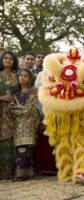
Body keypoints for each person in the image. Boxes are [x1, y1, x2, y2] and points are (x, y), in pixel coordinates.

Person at [9, 68, 40, 181]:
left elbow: (32, 109)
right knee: (20, 148)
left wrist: (22, 111)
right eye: (21, 75)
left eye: (25, 76)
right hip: (18, 124)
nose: (22, 77)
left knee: (28, 149)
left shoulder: (32, 93)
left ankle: (29, 172)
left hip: (29, 123)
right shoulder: (15, 93)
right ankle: (19, 173)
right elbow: (12, 108)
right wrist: (21, 111)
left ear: (30, 79)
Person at [0, 51, 19, 179]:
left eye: (10, 59)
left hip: (15, 111)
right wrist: (1, 97)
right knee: (3, 139)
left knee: (14, 139)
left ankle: (14, 171)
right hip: (1, 111)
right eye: (5, 58)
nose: (7, 60)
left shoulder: (18, 75)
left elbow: (25, 89)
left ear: (14, 61)